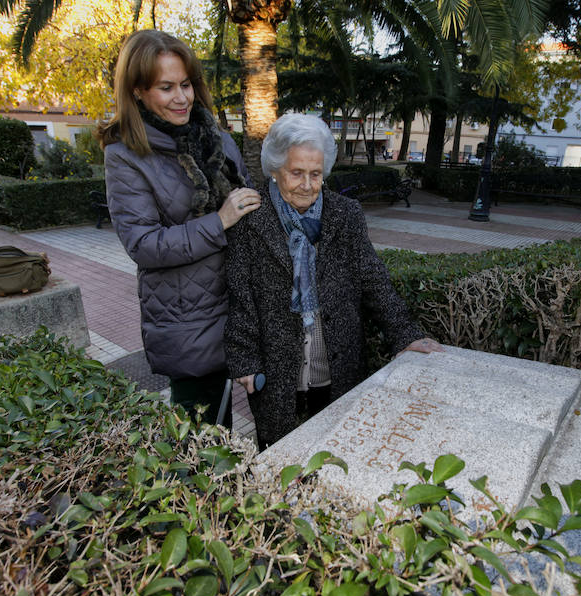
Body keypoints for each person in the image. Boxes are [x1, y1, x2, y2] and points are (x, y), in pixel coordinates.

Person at [224, 113, 442, 449]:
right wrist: (245, 359)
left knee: (337, 449)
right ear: (275, 168)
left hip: (336, 358)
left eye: (316, 174)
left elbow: (373, 280)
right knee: (280, 454)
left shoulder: (346, 214)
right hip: (277, 365)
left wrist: (405, 335)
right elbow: (241, 294)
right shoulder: (252, 218)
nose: (308, 185)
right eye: (297, 173)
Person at [99, 30, 261, 426]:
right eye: (166, 87)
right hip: (187, 321)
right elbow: (144, 245)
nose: (182, 98)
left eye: (186, 84)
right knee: (197, 440)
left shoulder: (217, 139)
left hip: (242, 308)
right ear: (138, 91)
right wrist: (220, 220)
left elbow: (246, 201)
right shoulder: (125, 156)